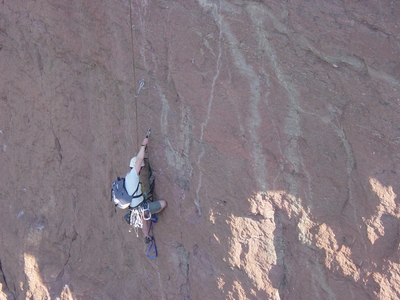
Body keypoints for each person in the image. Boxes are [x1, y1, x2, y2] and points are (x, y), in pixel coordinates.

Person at [124, 134, 167, 243]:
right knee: (163, 204)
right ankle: (148, 224)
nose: (142, 169)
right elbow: (139, 159)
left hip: (134, 207)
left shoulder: (128, 177)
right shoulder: (134, 175)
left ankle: (146, 234)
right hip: (139, 208)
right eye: (142, 167)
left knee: (142, 215)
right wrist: (144, 144)